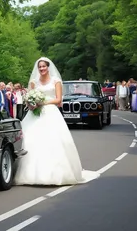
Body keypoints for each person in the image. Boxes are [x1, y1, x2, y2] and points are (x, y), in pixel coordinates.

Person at [14, 57, 100, 186]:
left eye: (44, 66)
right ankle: (31, 174)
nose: (42, 69)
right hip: (35, 114)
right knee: (32, 140)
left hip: (50, 112)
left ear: (48, 67)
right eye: (40, 67)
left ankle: (55, 174)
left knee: (53, 141)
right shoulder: (33, 82)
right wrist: (31, 104)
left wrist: (42, 102)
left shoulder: (56, 81)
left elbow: (58, 100)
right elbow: (28, 98)